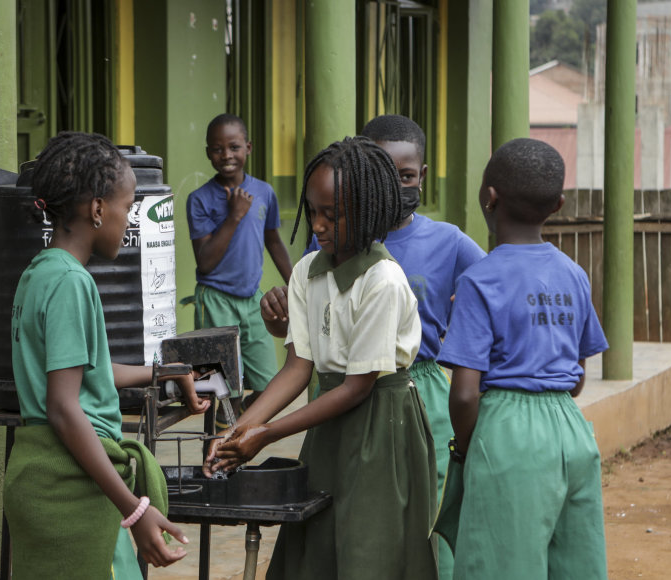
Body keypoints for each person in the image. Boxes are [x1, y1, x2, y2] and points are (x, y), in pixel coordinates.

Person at [260, 114, 484, 580]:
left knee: (391, 533)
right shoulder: (314, 264)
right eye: (313, 212)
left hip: (402, 395)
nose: (318, 225)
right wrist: (250, 423)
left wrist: (466, 345)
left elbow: (489, 294)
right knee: (324, 531)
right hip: (330, 400)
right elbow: (302, 357)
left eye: (405, 174)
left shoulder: (423, 254)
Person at [206, 136, 439, 579]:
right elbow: (297, 367)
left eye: (332, 214)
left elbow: (358, 387)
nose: (318, 224)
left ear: (369, 209)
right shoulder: (307, 272)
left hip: (382, 424)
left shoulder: (382, 280)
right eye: (312, 211)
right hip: (328, 423)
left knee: (371, 544)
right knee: (318, 544)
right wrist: (239, 431)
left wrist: (268, 435)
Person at [2, 132, 210, 578]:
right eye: (129, 207)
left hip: (41, 475)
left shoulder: (38, 273)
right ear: (98, 209)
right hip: (72, 483)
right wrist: (134, 510)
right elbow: (63, 407)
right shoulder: (70, 283)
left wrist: (158, 374)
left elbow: (84, 373)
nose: (130, 218)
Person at [437, 138, 609, 579]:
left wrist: (467, 446)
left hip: (508, 435)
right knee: (573, 564)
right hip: (572, 433)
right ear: (558, 204)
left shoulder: (480, 280)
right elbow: (577, 377)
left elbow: (463, 393)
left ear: (488, 197)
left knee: (500, 565)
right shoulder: (574, 273)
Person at [186, 114, 293, 421]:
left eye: (234, 147)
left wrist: (297, 282)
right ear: (208, 153)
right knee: (223, 386)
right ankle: (224, 441)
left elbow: (273, 241)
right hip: (215, 300)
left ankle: (232, 420)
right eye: (218, 149)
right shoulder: (199, 199)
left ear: (248, 148)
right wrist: (234, 216)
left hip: (252, 300)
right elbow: (205, 262)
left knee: (269, 383)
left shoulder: (265, 193)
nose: (227, 155)